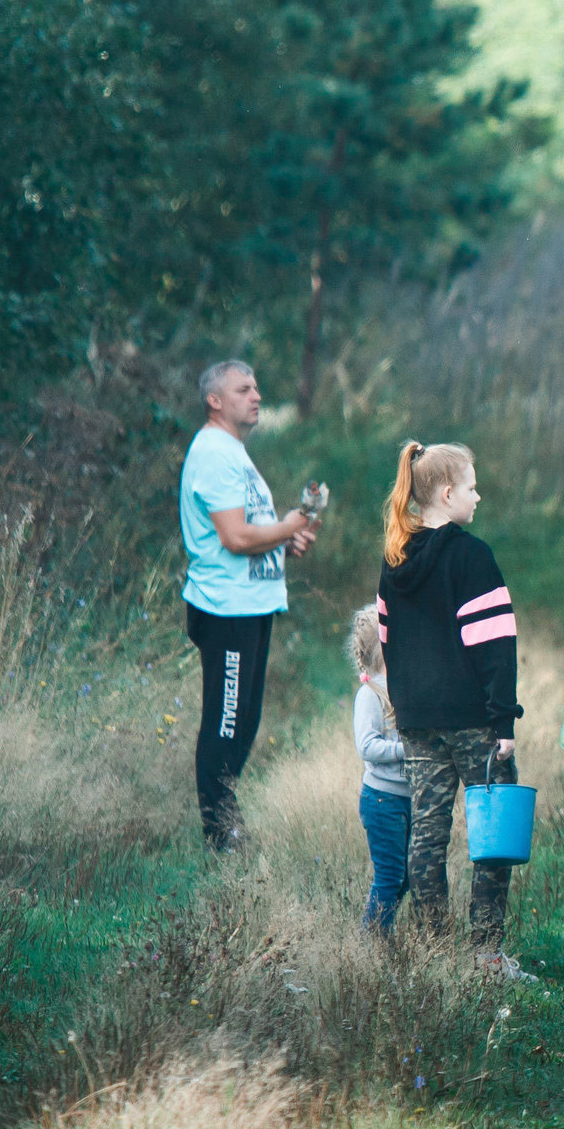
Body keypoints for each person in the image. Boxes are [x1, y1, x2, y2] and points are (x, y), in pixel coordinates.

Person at [376, 440, 535, 982]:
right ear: (447, 493)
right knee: (495, 833)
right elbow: (495, 645)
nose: (478, 495)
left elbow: (385, 642)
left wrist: (405, 707)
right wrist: (504, 720)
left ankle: (433, 952)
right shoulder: (472, 556)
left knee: (428, 832)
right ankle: (485, 956)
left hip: (417, 721)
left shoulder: (393, 559)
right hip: (473, 721)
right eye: (471, 486)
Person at [177, 360, 318, 851]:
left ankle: (227, 823)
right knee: (226, 721)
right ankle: (221, 837)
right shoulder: (215, 452)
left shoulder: (233, 452)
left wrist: (283, 540)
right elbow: (235, 537)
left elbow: (249, 532)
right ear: (215, 400)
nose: (256, 395)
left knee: (245, 720)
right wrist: (292, 523)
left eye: (257, 386)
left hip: (250, 607)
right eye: (243, 389)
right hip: (226, 609)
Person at [347, 605, 409, 934]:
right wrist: (405, 751)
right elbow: (367, 746)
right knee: (389, 876)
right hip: (382, 799)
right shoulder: (370, 694)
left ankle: (379, 932)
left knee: (408, 874)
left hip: (406, 798)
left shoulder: (403, 684)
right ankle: (372, 945)